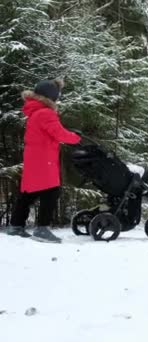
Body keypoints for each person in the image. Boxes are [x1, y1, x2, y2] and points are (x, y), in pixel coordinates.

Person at [4, 78, 81, 243]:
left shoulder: (34, 112)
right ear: (51, 97)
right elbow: (59, 133)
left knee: (29, 192)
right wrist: (76, 138)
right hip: (44, 158)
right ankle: (42, 229)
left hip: (34, 158)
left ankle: (16, 226)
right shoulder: (46, 113)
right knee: (51, 191)